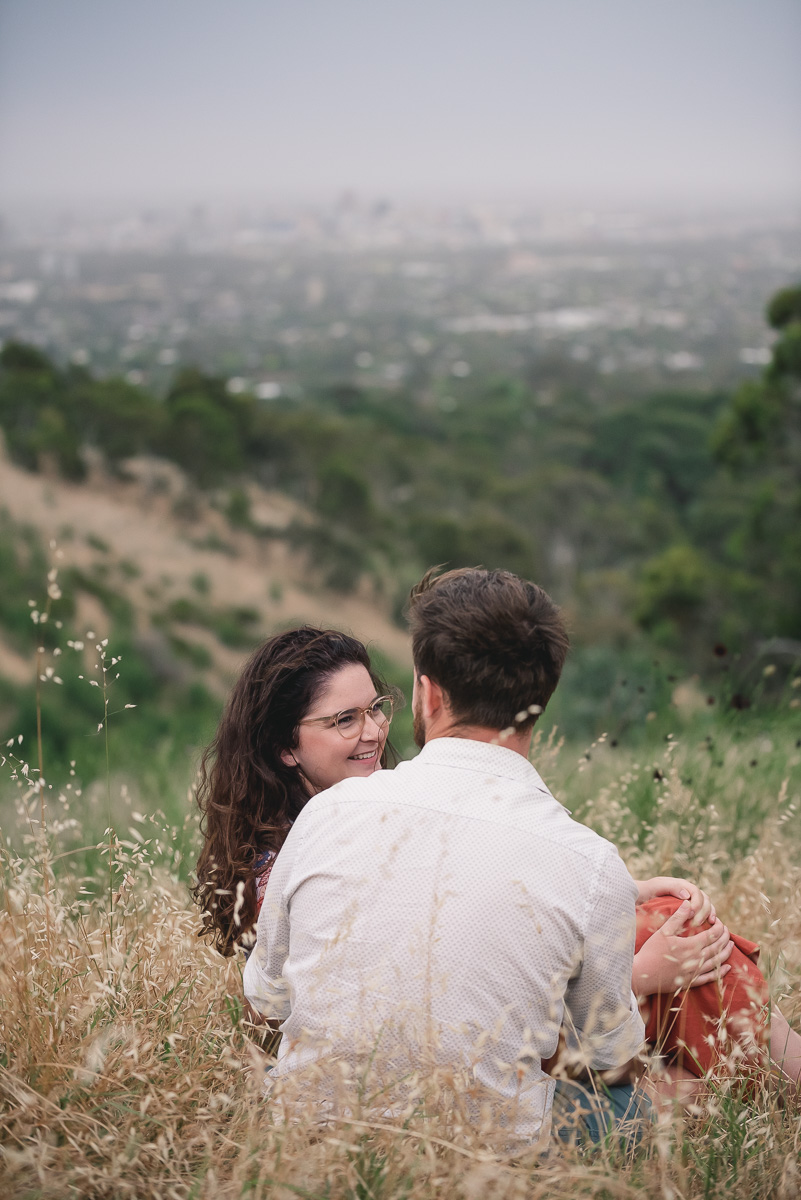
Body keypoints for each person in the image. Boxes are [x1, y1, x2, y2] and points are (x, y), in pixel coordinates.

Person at [243, 567, 649, 1146]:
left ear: (427, 692)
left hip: (311, 1145)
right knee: (632, 1110)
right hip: (485, 1160)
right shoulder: (590, 864)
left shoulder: (328, 813)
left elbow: (267, 994)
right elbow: (606, 1054)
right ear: (541, 702)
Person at [192, 626, 398, 957]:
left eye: (375, 708)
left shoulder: (362, 816)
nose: (374, 731)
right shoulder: (281, 872)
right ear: (286, 747)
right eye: (345, 720)